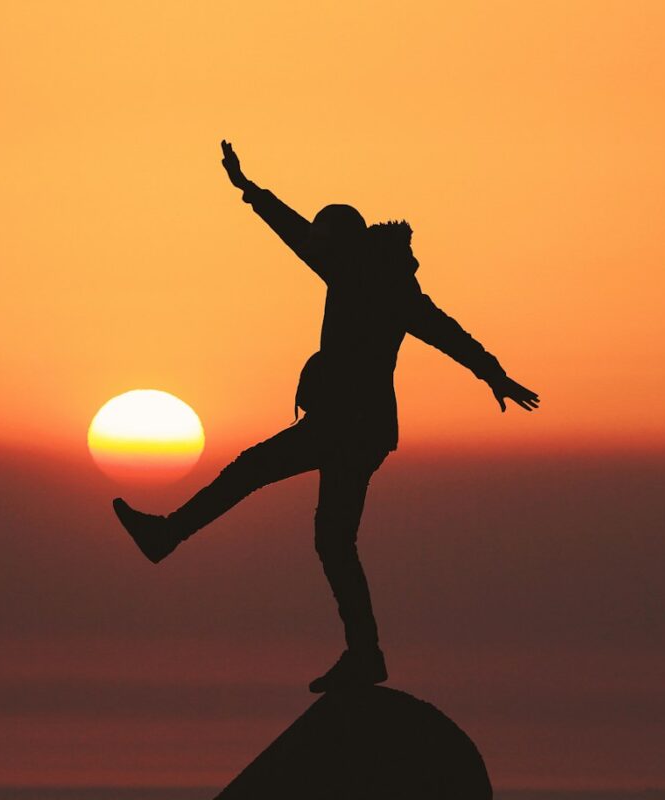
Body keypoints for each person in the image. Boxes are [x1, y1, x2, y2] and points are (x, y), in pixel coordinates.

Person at [114, 140, 539, 693]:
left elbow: (446, 332)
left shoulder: (368, 279)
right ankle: (365, 654)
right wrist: (250, 191)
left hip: (346, 427)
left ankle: (167, 536)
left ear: (340, 244)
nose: (317, 252)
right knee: (332, 539)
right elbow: (303, 238)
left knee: (254, 474)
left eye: (324, 244)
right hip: (358, 431)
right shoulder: (375, 276)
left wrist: (494, 373)